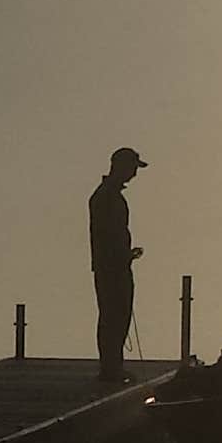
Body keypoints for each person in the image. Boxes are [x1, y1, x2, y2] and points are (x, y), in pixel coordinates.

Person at [88, 145, 144, 379]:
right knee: (113, 316)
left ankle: (113, 366)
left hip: (115, 264)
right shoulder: (105, 197)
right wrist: (122, 256)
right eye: (132, 167)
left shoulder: (107, 195)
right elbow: (107, 235)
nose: (135, 173)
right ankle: (110, 368)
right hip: (112, 267)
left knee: (117, 316)